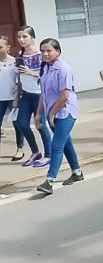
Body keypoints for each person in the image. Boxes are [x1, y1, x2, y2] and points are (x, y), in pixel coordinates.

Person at [35, 38, 83, 194]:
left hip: (65, 111)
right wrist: (38, 114)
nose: (45, 54)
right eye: (42, 51)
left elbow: (64, 96)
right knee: (66, 142)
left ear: (58, 51)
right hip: (52, 113)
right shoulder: (45, 68)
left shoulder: (63, 69)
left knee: (56, 145)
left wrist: (51, 114)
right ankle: (77, 172)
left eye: (49, 50)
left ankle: (49, 181)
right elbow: (43, 94)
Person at [13, 26, 51, 168]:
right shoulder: (19, 54)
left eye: (24, 36)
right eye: (19, 37)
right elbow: (18, 76)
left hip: (39, 95)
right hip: (26, 95)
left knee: (41, 125)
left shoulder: (41, 54)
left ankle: (48, 155)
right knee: (22, 123)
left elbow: (47, 75)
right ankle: (35, 152)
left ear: (32, 37)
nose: (21, 40)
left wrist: (31, 72)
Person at [0, 36, 23, 157]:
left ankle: (20, 148)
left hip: (13, 98)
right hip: (0, 99)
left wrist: (18, 90)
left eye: (0, 47)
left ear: (8, 47)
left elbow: (21, 79)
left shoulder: (15, 62)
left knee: (17, 124)